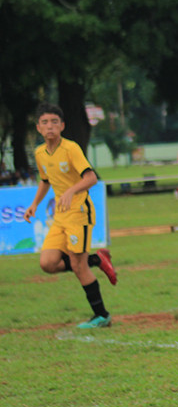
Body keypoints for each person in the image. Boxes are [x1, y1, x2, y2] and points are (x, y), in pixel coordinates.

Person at [23, 102, 118, 329]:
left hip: (79, 213)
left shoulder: (71, 148)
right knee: (47, 263)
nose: (50, 127)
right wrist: (34, 204)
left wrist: (70, 191)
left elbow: (91, 178)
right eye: (45, 123)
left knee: (78, 266)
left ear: (62, 126)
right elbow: (45, 180)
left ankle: (101, 316)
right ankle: (96, 259)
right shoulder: (39, 153)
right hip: (60, 216)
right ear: (38, 128)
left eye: (55, 122)